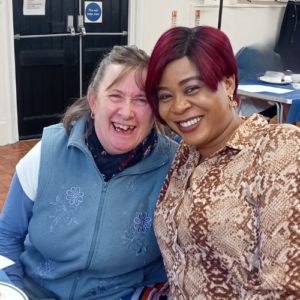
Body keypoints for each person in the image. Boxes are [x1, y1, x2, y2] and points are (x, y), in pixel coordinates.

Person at [0, 45, 178, 300]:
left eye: (141, 100)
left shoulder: (173, 168)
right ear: (93, 101)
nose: (127, 112)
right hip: (33, 292)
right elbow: (6, 235)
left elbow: (177, 257)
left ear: (155, 110)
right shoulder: (46, 154)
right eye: (115, 96)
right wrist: (13, 291)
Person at [145, 26, 300, 299]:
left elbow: (285, 288)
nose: (179, 106)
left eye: (192, 88)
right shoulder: (184, 155)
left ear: (227, 84)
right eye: (166, 96)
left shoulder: (277, 148)